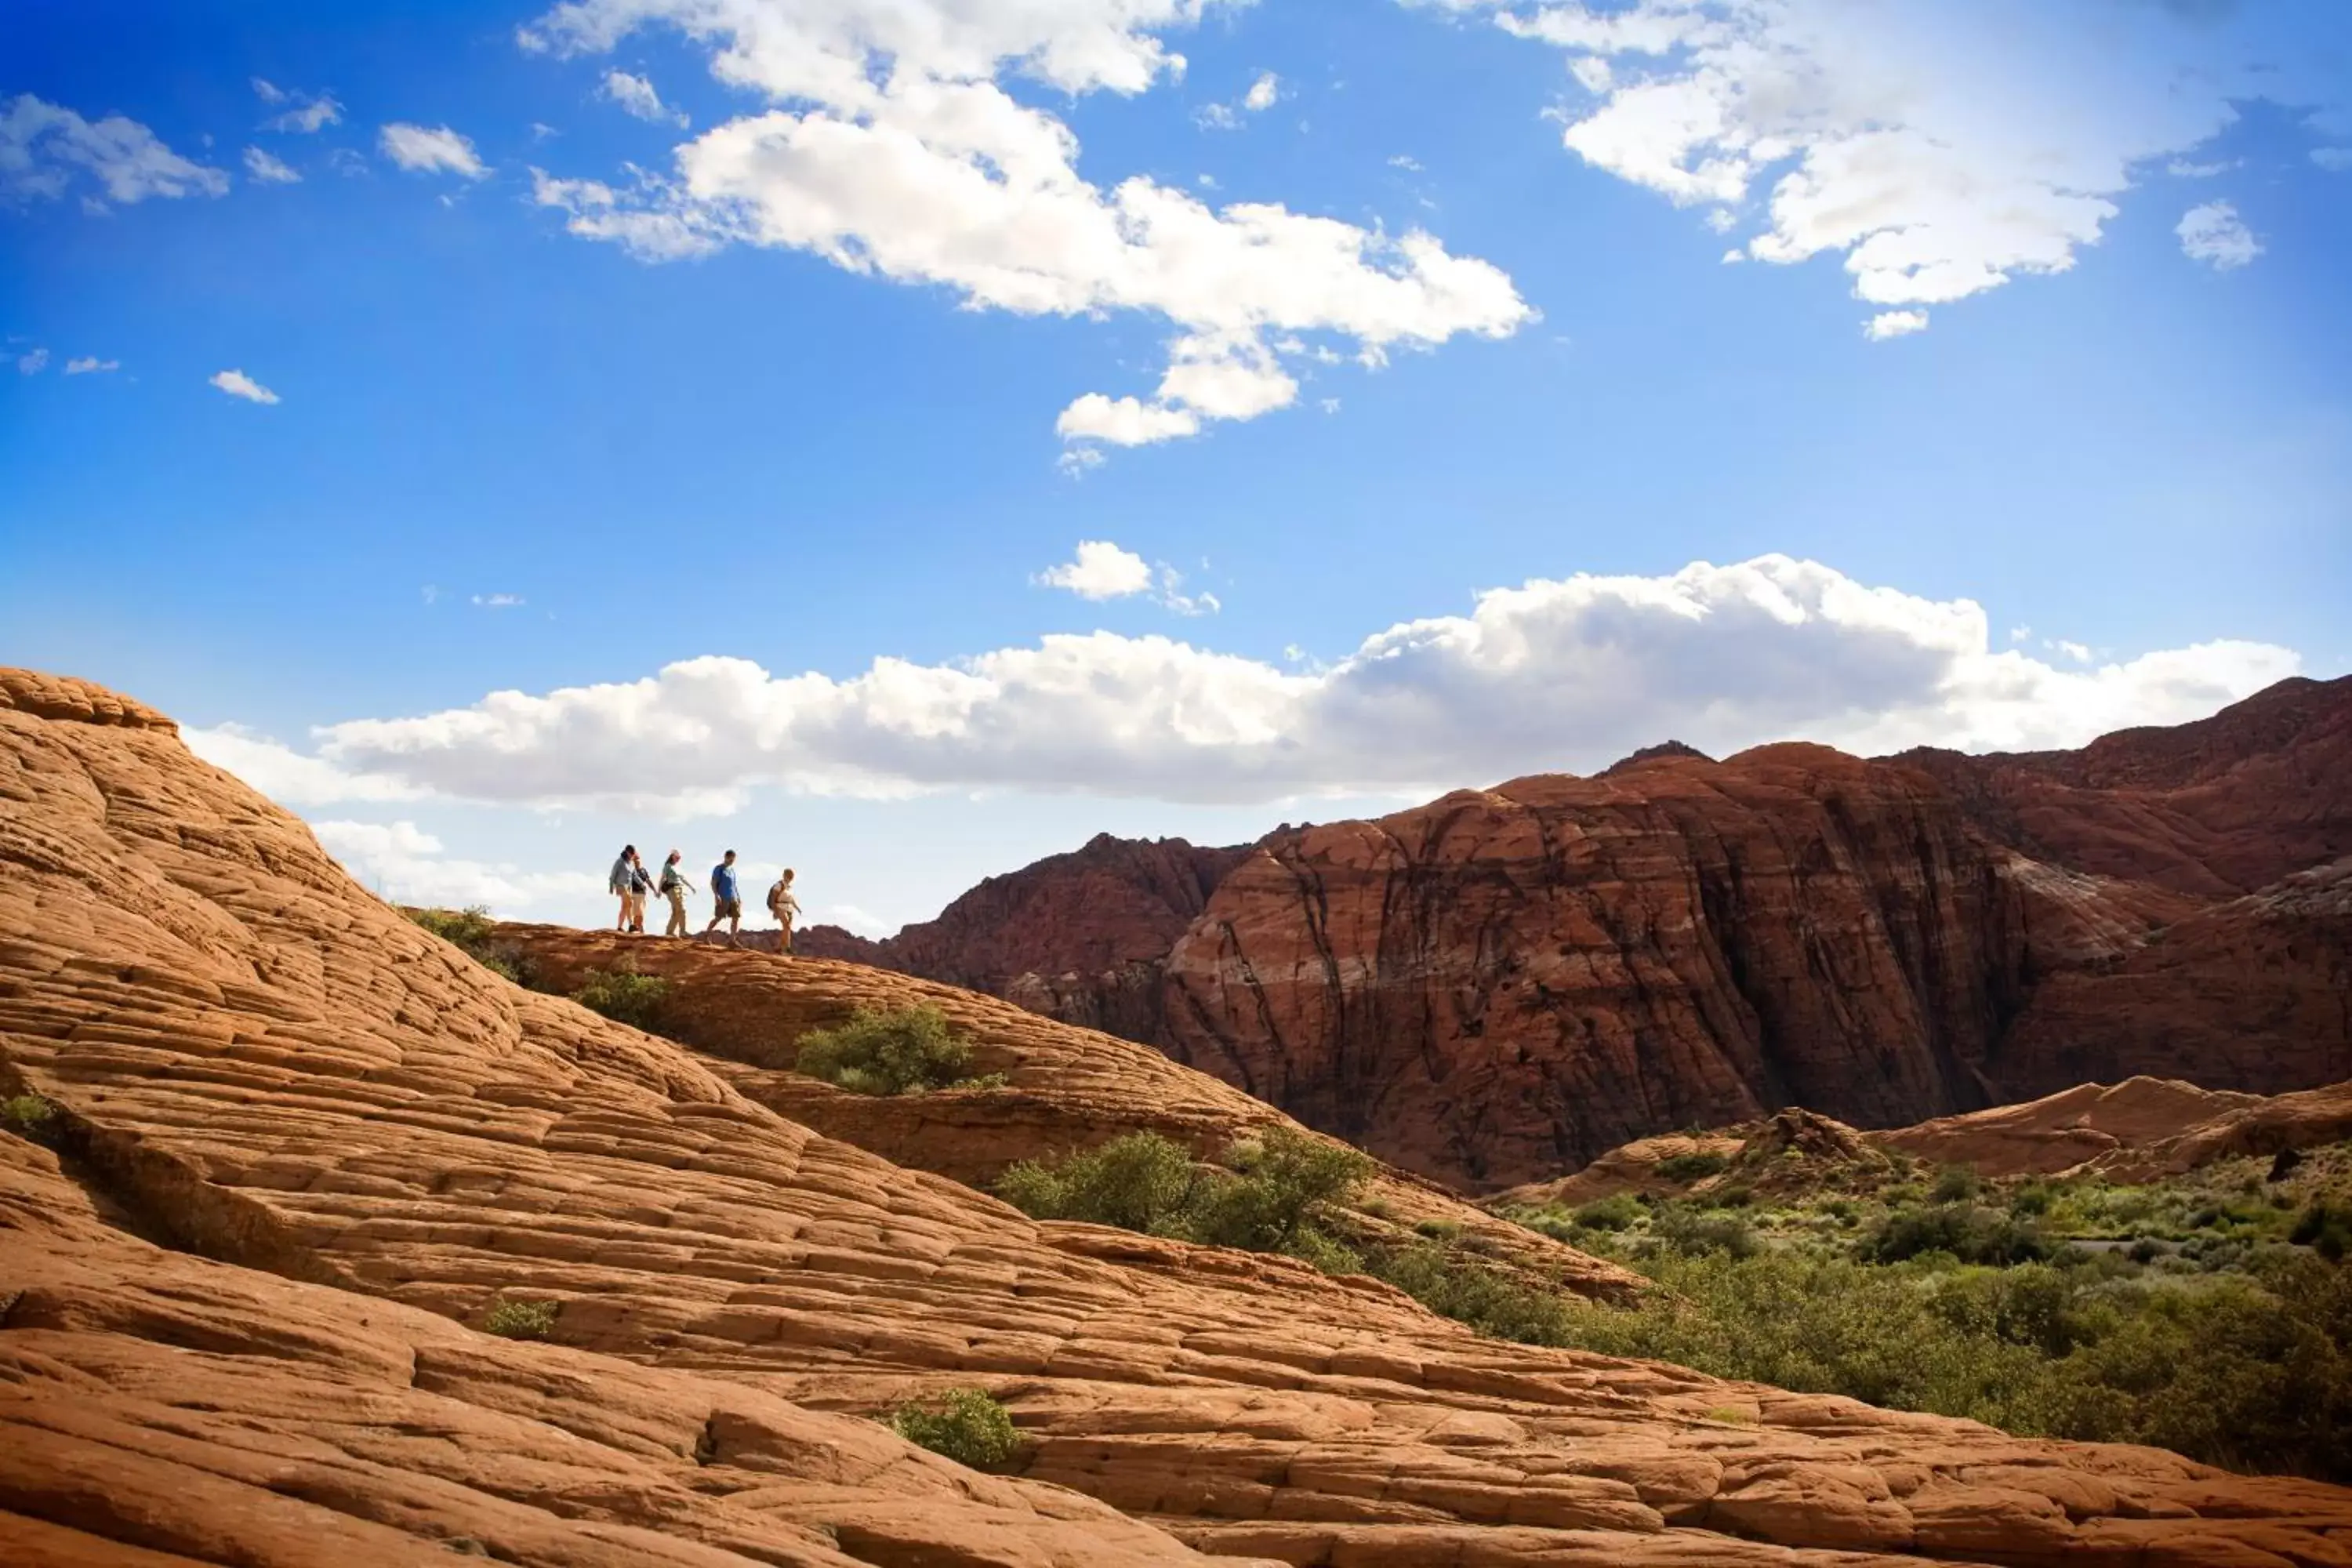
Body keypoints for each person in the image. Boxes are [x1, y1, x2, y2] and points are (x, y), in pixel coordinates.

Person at [657, 851, 697, 938]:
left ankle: (669, 932)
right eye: (677, 857)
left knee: (676, 911)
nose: (678, 859)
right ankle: (682, 931)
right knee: (681, 910)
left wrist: (691, 887)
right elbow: (662, 878)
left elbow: (682, 879)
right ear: (672, 856)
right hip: (672, 889)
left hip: (680, 889)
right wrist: (658, 891)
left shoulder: (677, 868)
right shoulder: (668, 866)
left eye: (679, 858)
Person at [706, 849, 742, 944]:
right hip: (723, 897)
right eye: (731, 859)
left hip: (733, 897)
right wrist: (716, 895)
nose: (732, 862)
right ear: (726, 857)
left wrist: (738, 897)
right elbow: (713, 883)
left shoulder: (732, 870)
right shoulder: (719, 869)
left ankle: (732, 940)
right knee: (718, 917)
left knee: (736, 918)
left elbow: (734, 885)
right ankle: (707, 935)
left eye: (733, 860)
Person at [765, 867, 800, 954]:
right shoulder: (779, 885)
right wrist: (775, 911)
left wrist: (797, 908)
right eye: (788, 875)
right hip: (780, 906)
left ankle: (781, 947)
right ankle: (786, 948)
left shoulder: (789, 887)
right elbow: (773, 898)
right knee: (786, 925)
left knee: (787, 928)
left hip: (789, 908)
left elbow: (791, 899)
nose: (790, 877)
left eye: (791, 876)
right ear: (784, 875)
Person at [608, 844, 639, 933]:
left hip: (628, 886)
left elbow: (634, 875)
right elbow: (613, 874)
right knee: (629, 902)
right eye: (631, 853)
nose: (632, 855)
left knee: (626, 906)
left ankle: (621, 927)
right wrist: (611, 887)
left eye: (633, 854)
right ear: (627, 852)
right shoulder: (620, 861)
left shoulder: (631, 862)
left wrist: (642, 884)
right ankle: (630, 925)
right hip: (620, 885)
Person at [626, 849, 654, 934]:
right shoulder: (631, 870)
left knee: (640, 913)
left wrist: (655, 890)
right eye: (635, 859)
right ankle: (636, 928)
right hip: (634, 893)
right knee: (637, 912)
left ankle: (639, 927)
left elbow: (649, 881)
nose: (636, 861)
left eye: (638, 859)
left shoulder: (643, 870)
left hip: (642, 894)